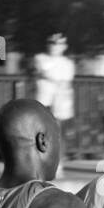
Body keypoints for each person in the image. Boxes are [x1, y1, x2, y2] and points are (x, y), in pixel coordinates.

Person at [34, 34, 77, 174]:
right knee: (40, 134)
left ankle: (58, 164)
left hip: (59, 104)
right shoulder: (41, 58)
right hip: (44, 102)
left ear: (64, 46)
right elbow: (47, 72)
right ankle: (41, 163)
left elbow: (64, 78)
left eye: (58, 44)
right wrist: (57, 79)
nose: (54, 46)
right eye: (52, 43)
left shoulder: (68, 63)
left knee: (57, 134)